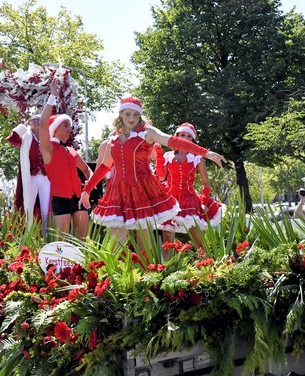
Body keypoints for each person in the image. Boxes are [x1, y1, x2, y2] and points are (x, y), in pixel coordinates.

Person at [78, 96, 225, 254]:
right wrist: (87, 190)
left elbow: (174, 141)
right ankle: (119, 277)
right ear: (120, 114)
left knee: (144, 241)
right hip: (118, 193)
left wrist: (206, 152)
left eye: (136, 114)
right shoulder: (113, 137)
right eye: (127, 114)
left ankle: (148, 276)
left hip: (142, 190)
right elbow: (104, 167)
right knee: (115, 245)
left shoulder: (147, 133)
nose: (132, 118)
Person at [158, 123, 225, 257]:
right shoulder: (167, 156)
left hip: (190, 201)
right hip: (170, 201)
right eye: (182, 135)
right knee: (167, 242)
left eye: (189, 136)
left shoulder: (197, 158)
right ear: (176, 136)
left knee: (198, 241)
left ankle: (207, 270)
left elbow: (206, 184)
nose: (185, 138)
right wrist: (159, 155)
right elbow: (160, 177)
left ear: (193, 140)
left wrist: (204, 202)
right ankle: (166, 272)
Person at [38, 80, 92, 239]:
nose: (70, 128)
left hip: (78, 199)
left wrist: (88, 189)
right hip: (58, 200)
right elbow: (42, 124)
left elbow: (86, 169)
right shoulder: (48, 149)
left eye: (70, 125)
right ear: (55, 128)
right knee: (60, 246)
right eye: (66, 125)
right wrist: (53, 96)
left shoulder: (70, 150)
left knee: (82, 243)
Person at [7, 113, 51, 232]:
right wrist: (24, 125)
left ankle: (46, 234)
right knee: (28, 206)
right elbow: (12, 139)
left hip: (46, 177)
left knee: (46, 208)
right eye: (35, 120)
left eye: (40, 120)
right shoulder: (25, 137)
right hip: (31, 177)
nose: (38, 122)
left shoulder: (47, 137)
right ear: (30, 122)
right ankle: (27, 234)